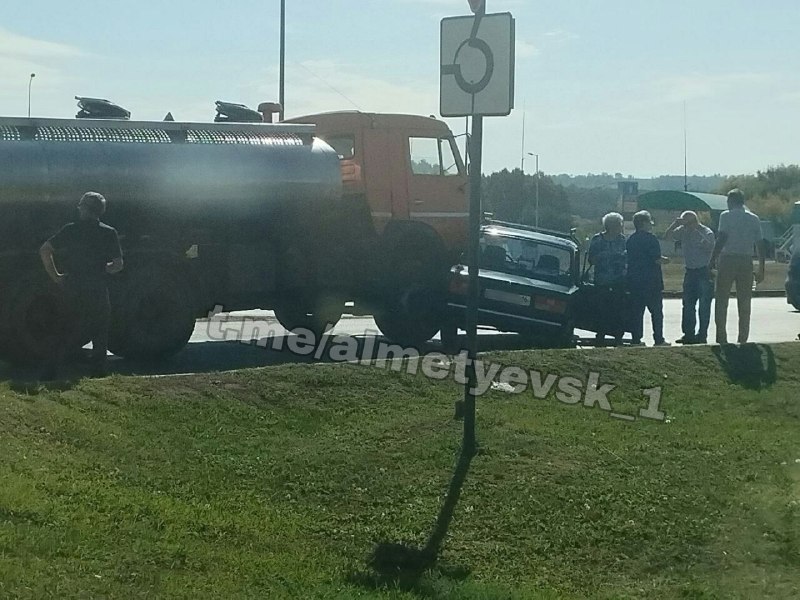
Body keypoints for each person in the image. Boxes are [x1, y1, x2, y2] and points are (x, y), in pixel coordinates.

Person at [39, 191, 124, 378]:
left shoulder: (70, 230)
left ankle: (52, 368)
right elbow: (118, 265)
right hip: (97, 285)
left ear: (85, 209)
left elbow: (45, 250)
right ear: (100, 211)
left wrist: (56, 276)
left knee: (65, 325)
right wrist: (104, 269)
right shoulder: (109, 232)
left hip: (72, 284)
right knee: (100, 328)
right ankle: (98, 369)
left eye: (80, 206)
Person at [709, 188, 765, 345]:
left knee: (722, 299)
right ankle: (743, 337)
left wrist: (712, 259)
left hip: (728, 258)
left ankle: (722, 337)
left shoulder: (725, 216)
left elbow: (722, 238)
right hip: (746, 260)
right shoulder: (754, 218)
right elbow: (760, 244)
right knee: (745, 300)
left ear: (730, 201)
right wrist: (761, 267)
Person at [665, 210, 716, 344]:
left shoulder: (705, 232)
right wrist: (675, 224)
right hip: (690, 271)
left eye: (687, 223)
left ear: (694, 221)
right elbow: (668, 236)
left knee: (704, 305)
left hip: (704, 271)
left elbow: (711, 247)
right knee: (687, 304)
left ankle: (702, 334)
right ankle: (688, 334)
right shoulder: (683, 231)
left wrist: (696, 231)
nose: (685, 226)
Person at [625, 210, 670, 346]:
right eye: (649, 222)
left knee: (637, 312)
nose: (651, 225)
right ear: (643, 223)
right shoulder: (651, 239)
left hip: (635, 280)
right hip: (652, 281)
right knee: (656, 312)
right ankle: (658, 338)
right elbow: (656, 258)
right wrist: (666, 260)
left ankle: (636, 339)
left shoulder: (631, 239)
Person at [588, 212, 627, 346]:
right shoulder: (597, 240)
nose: (621, 227)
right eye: (619, 224)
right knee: (601, 310)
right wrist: (602, 256)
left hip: (619, 281)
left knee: (619, 310)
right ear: (612, 225)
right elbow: (591, 260)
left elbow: (627, 258)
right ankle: (600, 336)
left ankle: (618, 337)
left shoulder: (623, 240)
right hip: (602, 281)